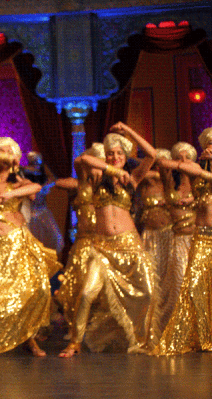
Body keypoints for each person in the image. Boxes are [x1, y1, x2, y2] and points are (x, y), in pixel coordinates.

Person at [0, 138, 62, 359]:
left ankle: (29, 339)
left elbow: (36, 188)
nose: (8, 156)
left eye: (12, 153)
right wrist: (3, 155)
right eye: (2, 152)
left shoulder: (17, 181)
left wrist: (10, 194)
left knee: (30, 292)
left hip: (18, 243)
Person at [72, 122, 160, 354]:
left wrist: (128, 131)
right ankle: (74, 342)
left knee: (148, 294)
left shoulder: (133, 178)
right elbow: (82, 160)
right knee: (86, 294)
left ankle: (141, 340)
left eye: (120, 153)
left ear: (126, 156)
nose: (115, 157)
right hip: (102, 248)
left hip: (129, 244)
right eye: (110, 153)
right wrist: (113, 171)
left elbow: (152, 154)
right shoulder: (96, 176)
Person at [154, 129, 212, 355]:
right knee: (195, 287)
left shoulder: (202, 174)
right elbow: (164, 162)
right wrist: (183, 163)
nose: (209, 149)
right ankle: (204, 337)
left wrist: (191, 167)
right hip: (201, 237)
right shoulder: (198, 174)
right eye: (207, 145)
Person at [55, 143, 104, 357]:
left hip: (100, 243)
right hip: (82, 243)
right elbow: (64, 177)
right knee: (76, 288)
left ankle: (95, 330)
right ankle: (75, 331)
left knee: (95, 290)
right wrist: (90, 156)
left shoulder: (108, 183)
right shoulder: (81, 183)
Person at [154, 142, 196, 331]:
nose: (183, 161)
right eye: (179, 157)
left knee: (198, 287)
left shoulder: (199, 182)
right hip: (179, 240)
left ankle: (197, 330)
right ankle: (178, 329)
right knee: (179, 285)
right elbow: (160, 161)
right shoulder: (169, 181)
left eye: (187, 157)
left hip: (199, 240)